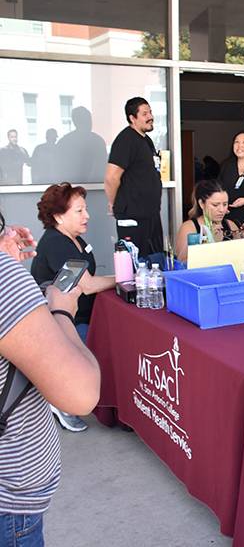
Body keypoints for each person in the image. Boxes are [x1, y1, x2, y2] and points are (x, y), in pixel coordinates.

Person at [0, 209, 100, 545]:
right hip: (9, 510)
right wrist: (60, 311)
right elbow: (81, 394)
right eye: (78, 208)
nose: (86, 214)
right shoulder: (6, 279)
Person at [30, 183, 115, 432]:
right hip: (63, 323)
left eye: (85, 209)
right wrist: (124, 277)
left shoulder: (75, 239)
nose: (87, 215)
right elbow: (86, 285)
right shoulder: (57, 243)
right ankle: (60, 400)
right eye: (79, 211)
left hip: (82, 314)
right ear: (58, 216)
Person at [104, 96, 164, 257]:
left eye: (150, 112)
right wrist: (113, 202)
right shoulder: (126, 139)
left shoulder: (146, 141)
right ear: (132, 118)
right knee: (136, 266)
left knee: (156, 263)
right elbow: (111, 177)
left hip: (151, 215)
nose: (150, 117)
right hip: (133, 217)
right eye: (144, 113)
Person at [175, 180, 244, 262]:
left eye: (225, 204)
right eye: (215, 205)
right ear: (202, 204)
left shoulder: (230, 225)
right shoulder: (189, 228)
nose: (221, 210)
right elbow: (182, 263)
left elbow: (240, 258)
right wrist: (212, 243)